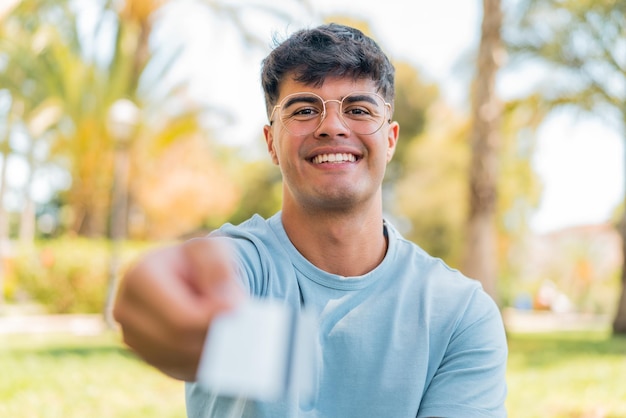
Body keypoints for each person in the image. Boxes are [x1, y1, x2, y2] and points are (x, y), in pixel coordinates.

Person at [113, 23, 508, 417]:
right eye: (304, 110)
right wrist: (154, 293)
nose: (332, 126)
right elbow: (188, 285)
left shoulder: (458, 313)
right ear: (271, 142)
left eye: (358, 109)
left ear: (390, 139)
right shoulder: (245, 271)